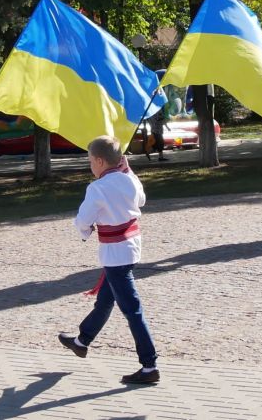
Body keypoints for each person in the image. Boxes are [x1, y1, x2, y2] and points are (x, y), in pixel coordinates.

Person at [58, 135, 160, 384]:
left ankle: (149, 365)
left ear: (101, 161)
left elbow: (83, 220)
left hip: (115, 254)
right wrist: (130, 173)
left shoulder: (97, 188)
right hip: (131, 248)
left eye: (91, 161)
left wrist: (85, 231)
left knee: (132, 310)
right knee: (105, 300)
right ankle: (82, 341)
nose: (90, 166)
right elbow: (142, 200)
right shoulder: (129, 179)